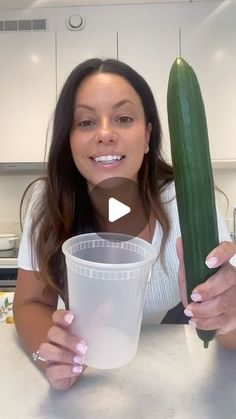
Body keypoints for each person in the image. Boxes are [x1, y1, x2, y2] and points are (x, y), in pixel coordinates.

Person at [13, 58, 236, 391]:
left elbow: (227, 329)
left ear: (147, 136)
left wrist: (227, 316)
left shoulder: (184, 202)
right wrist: (53, 355)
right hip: (90, 380)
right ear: (69, 139)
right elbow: (30, 302)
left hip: (169, 380)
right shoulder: (48, 201)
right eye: (86, 122)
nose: (105, 134)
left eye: (124, 118)